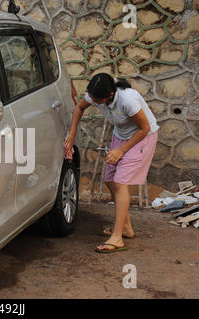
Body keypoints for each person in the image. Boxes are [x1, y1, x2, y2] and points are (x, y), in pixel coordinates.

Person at [64, 73, 159, 253]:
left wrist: (121, 151)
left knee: (121, 183)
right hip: (120, 136)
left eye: (96, 100)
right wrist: (72, 134)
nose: (92, 101)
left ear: (109, 96)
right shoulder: (95, 93)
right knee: (110, 179)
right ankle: (126, 228)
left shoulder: (127, 100)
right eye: (90, 97)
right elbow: (79, 109)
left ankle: (117, 238)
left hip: (141, 138)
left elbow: (144, 128)